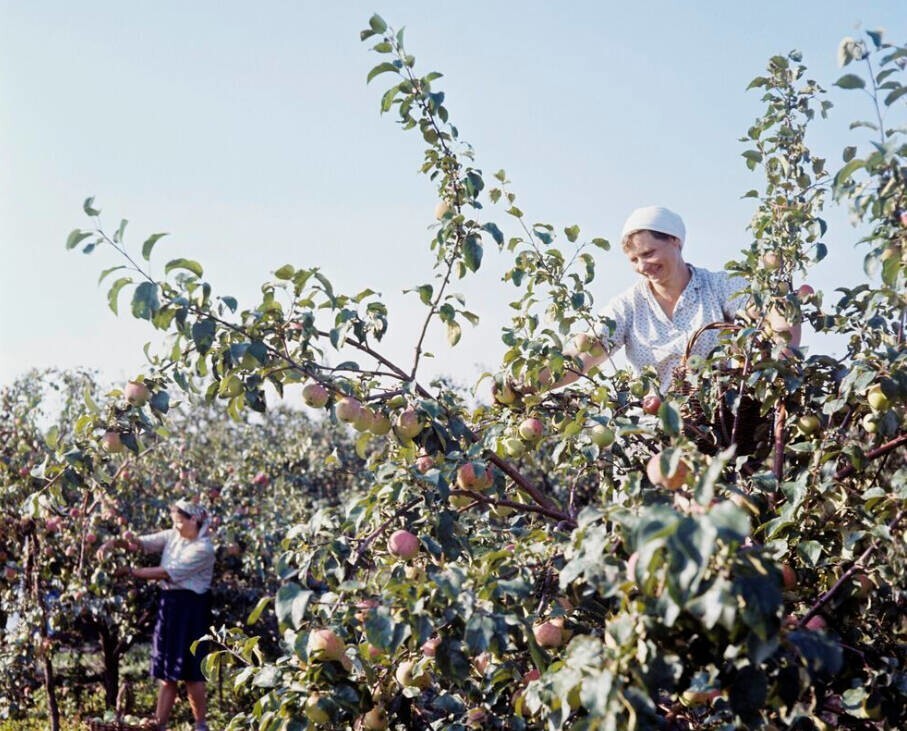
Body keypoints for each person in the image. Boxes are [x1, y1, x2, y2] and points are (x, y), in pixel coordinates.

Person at [546, 205, 800, 392]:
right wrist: (525, 382)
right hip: (654, 436)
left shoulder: (718, 286)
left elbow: (774, 311)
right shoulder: (627, 306)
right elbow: (579, 359)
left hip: (719, 431)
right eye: (634, 259)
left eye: (648, 253)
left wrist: (781, 363)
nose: (643, 266)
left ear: (675, 241)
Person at [98, 499, 215, 731]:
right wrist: (114, 543)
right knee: (167, 669)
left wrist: (130, 572)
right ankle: (159, 724)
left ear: (194, 520)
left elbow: (166, 573)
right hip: (170, 604)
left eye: (180, 522)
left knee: (192, 671)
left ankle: (201, 725)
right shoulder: (174, 535)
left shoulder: (203, 549)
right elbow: (141, 543)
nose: (176, 527)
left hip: (191, 608)